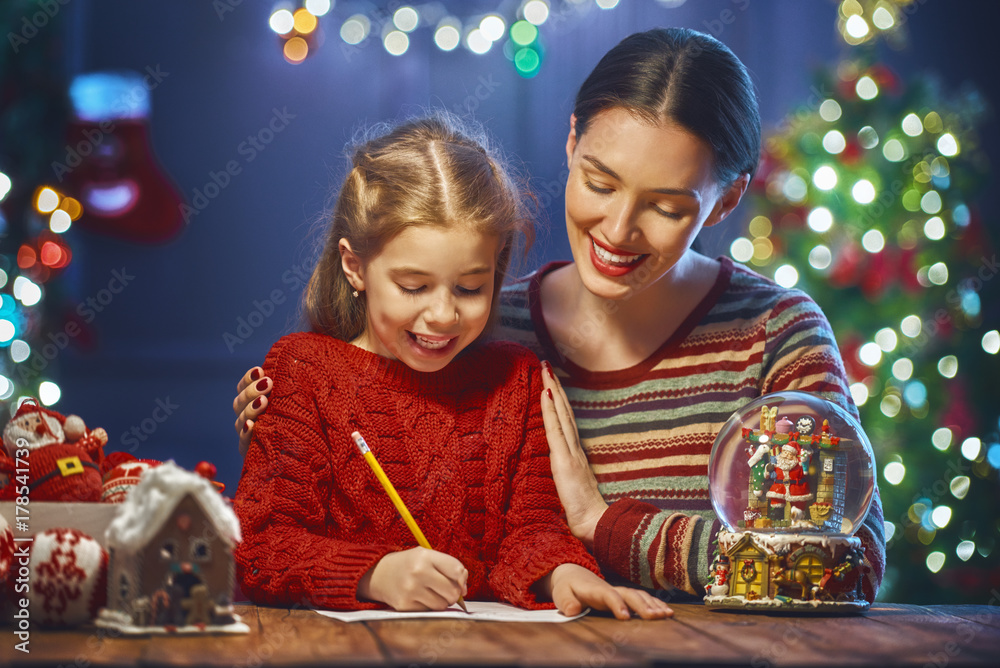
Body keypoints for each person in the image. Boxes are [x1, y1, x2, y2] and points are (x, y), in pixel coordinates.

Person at [234, 28, 886, 602]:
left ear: (725, 201)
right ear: (571, 141)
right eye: (600, 183)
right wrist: (282, 435)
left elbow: (842, 567)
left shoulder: (773, 334)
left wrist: (605, 524)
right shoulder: (484, 333)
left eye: (666, 207)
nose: (618, 229)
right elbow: (360, 463)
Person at [234, 114, 671, 619]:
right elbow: (260, 548)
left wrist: (566, 574)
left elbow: (531, 532)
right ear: (355, 266)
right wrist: (375, 575)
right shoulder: (303, 371)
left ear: (497, 266)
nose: (443, 315)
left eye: (469, 288)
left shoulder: (516, 377)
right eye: (413, 287)